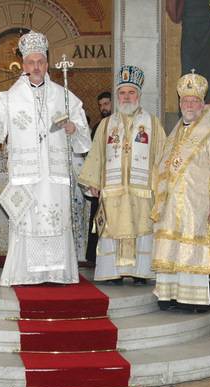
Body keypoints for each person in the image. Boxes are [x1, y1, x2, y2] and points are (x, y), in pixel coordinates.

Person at [0, 31, 91, 286]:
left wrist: (74, 129)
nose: (36, 67)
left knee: (55, 220)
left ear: (47, 64)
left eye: (40, 62)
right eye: (31, 62)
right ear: (23, 65)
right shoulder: (7, 97)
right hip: (25, 174)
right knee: (28, 223)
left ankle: (57, 273)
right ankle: (25, 274)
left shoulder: (64, 96)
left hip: (55, 175)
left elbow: (83, 137)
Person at [151, 71, 210, 311]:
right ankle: (170, 295)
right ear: (180, 105)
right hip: (171, 204)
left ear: (202, 104)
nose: (189, 105)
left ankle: (197, 299)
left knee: (194, 247)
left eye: (194, 101)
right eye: (185, 101)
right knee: (172, 247)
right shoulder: (175, 133)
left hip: (198, 203)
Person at [79, 65, 166, 286]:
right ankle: (113, 273)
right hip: (113, 189)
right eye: (122, 93)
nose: (126, 97)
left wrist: (160, 186)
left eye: (131, 92)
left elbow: (162, 157)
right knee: (112, 227)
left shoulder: (153, 124)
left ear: (138, 94)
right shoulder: (107, 125)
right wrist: (93, 182)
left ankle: (140, 272)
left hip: (142, 191)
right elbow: (97, 154)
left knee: (142, 228)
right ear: (117, 95)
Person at [86, 91, 113, 264]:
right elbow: (93, 155)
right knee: (98, 216)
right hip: (102, 180)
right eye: (101, 105)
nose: (103, 108)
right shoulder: (98, 127)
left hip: (116, 180)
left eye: (106, 104)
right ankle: (95, 257)